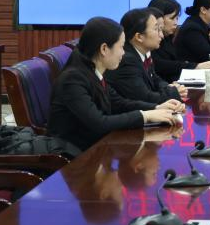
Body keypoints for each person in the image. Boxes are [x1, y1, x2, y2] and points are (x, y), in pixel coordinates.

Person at [47, 17, 181, 152]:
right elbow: (99, 123)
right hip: (74, 157)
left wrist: (156, 108)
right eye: (121, 47)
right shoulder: (73, 79)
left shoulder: (91, 69)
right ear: (104, 49)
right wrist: (145, 116)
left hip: (97, 146)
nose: (123, 53)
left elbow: (118, 103)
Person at [107, 8, 188, 105]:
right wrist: (174, 92)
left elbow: (155, 79)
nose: (161, 35)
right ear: (139, 37)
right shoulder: (126, 60)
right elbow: (144, 97)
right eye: (156, 29)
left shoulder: (143, 52)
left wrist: (169, 87)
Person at [148, 0, 210, 83]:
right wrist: (195, 66)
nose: (176, 23)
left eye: (177, 18)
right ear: (158, 18)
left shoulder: (167, 36)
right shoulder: (150, 39)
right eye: (172, 18)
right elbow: (158, 65)